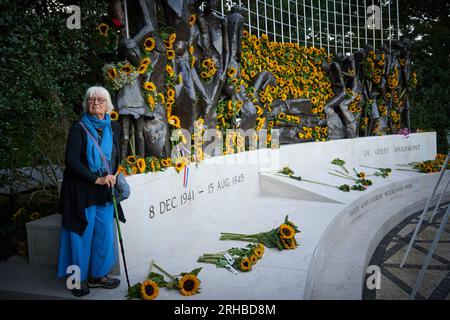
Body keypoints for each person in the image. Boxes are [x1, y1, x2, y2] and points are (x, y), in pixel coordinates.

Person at [57, 86, 125, 297]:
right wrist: (96, 178)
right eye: (91, 100)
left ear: (108, 105)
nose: (95, 103)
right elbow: (71, 161)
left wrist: (112, 175)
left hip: (104, 189)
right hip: (81, 190)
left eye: (100, 100)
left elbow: (116, 155)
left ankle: (98, 275)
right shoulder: (79, 129)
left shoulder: (114, 127)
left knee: (103, 234)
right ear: (86, 104)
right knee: (80, 236)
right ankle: (76, 280)